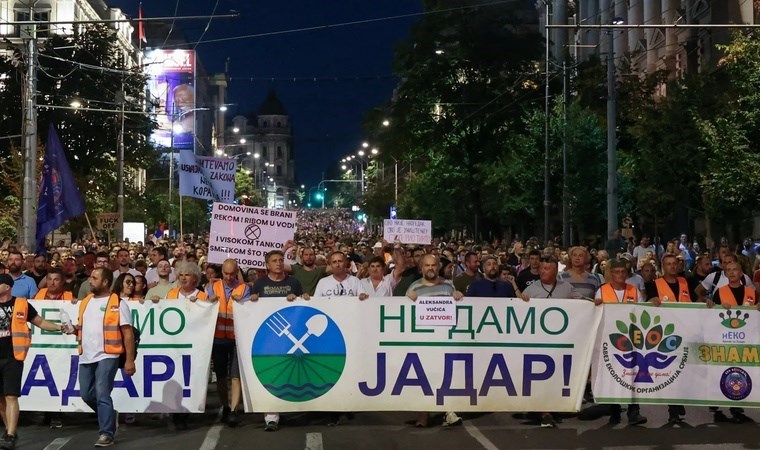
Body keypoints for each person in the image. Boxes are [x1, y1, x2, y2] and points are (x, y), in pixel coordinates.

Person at [0, 273, 66, 449]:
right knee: (1, 400)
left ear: (6, 287)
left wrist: (60, 327)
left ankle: (10, 434)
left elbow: (41, 322)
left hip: (13, 356)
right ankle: (9, 430)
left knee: (11, 395)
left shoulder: (21, 304)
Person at [73, 267, 136, 447]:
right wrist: (73, 330)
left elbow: (128, 334)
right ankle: (109, 414)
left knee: (102, 392)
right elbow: (83, 327)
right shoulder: (86, 302)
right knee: (86, 394)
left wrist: (130, 360)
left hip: (108, 354)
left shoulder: (117, 303)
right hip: (86, 355)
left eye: (94, 278)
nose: (90, 281)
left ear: (105, 282)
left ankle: (106, 433)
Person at [250, 250, 309, 431]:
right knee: (271, 373)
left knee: (291, 373)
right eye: (274, 261)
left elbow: (302, 306)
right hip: (268, 338)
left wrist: (301, 297)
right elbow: (252, 310)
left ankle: (295, 406)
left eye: (280, 260)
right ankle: (271, 416)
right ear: (267, 265)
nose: (278, 263)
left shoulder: (293, 283)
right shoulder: (259, 284)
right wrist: (252, 300)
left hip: (292, 338)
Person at [406, 254, 464, 428]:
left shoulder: (448, 286)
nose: (430, 268)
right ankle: (424, 414)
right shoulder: (414, 287)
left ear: (438, 267)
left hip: (444, 339)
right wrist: (408, 299)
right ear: (421, 268)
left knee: (446, 375)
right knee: (423, 376)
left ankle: (449, 411)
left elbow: (457, 309)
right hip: (423, 340)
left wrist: (458, 296)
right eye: (427, 265)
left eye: (433, 265)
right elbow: (405, 311)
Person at [594, 259, 646, 426]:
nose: (620, 275)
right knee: (613, 375)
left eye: (623, 272)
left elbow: (642, 310)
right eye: (616, 272)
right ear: (611, 274)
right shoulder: (602, 291)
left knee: (632, 375)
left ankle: (634, 411)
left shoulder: (634, 290)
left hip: (631, 339)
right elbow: (596, 314)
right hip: (610, 339)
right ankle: (615, 411)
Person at [646, 254, 693, 424]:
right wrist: (651, 300)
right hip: (665, 334)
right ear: (663, 267)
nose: (672, 267)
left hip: (686, 332)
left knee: (685, 372)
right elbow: (647, 304)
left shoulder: (687, 282)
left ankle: (679, 400)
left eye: (675, 264)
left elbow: (698, 302)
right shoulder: (654, 285)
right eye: (669, 264)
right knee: (671, 371)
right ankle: (673, 407)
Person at [165, 262, 208, 430]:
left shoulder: (202, 296)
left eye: (187, 275)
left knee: (190, 378)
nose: (183, 278)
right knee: (175, 377)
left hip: (195, 346)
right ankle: (177, 413)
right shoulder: (172, 294)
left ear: (195, 278)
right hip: (174, 344)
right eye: (181, 274)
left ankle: (186, 411)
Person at [207, 259, 249, 427]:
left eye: (232, 273)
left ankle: (233, 409)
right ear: (221, 272)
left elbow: (249, 310)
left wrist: (244, 301)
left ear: (237, 271)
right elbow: (206, 303)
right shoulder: (214, 286)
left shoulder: (244, 288)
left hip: (237, 338)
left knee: (236, 375)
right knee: (222, 376)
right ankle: (225, 405)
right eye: (226, 273)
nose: (229, 277)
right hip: (218, 338)